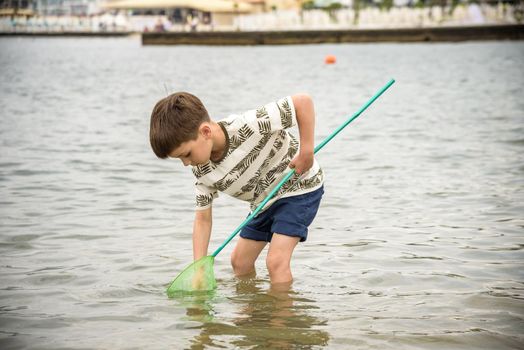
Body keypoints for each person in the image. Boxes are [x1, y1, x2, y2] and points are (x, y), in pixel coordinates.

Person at [149, 92, 324, 285]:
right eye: (180, 158)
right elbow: (202, 219)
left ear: (206, 132)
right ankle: (253, 312)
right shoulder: (202, 171)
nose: (185, 163)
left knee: (275, 262)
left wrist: (306, 151)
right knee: (240, 263)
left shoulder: (248, 125)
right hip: (263, 203)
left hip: (299, 188)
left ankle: (281, 314)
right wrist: (198, 268)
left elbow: (303, 103)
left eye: (187, 154)